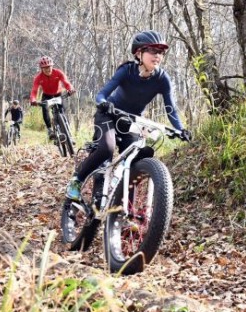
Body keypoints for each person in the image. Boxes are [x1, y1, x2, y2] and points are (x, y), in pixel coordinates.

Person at [65, 30, 191, 201]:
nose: (158, 56)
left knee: (134, 160)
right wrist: (104, 103)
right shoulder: (126, 70)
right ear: (139, 53)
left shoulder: (162, 79)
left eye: (160, 52)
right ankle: (77, 180)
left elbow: (171, 109)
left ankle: (125, 211)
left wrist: (180, 129)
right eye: (153, 51)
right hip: (109, 114)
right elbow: (102, 94)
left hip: (132, 122)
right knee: (106, 149)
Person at [29, 56, 76, 138]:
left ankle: (68, 134)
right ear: (41, 69)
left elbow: (66, 83)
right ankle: (50, 129)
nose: (47, 69)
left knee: (62, 112)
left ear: (52, 66)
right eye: (45, 68)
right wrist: (33, 99)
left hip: (58, 94)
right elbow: (34, 90)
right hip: (47, 95)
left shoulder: (58, 73)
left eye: (49, 67)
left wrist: (70, 89)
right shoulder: (38, 78)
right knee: (45, 109)